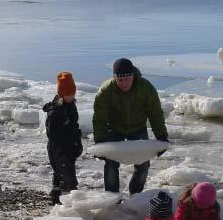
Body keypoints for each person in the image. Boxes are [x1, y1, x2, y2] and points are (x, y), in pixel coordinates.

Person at [93, 58, 168, 194]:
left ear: (132, 75)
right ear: (114, 77)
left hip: (137, 127)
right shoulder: (106, 91)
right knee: (110, 163)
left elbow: (155, 114)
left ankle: (135, 195)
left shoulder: (145, 88)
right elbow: (99, 119)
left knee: (143, 163)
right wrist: (100, 142)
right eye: (120, 80)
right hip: (114, 128)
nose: (123, 83)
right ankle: (112, 197)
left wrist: (161, 136)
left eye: (127, 79)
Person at [42, 72, 83, 205]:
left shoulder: (71, 106)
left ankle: (57, 197)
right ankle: (65, 200)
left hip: (69, 147)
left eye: (73, 94)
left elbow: (75, 125)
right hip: (57, 148)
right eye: (69, 94)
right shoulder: (55, 112)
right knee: (66, 176)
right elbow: (52, 134)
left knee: (63, 173)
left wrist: (77, 142)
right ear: (62, 94)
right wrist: (66, 144)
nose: (72, 97)